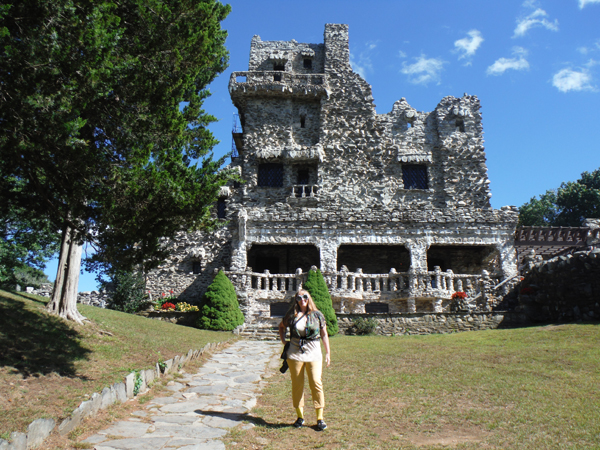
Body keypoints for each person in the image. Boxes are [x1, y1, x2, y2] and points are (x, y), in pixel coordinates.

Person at [278, 289, 331, 431]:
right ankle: (300, 417)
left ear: (309, 298)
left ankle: (320, 418)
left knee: (316, 383)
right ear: (296, 300)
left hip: (314, 354)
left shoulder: (318, 315)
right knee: (297, 385)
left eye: (305, 297)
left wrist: (328, 353)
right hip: (295, 355)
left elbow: (324, 334)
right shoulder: (292, 315)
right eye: (299, 297)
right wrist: (285, 342)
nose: (302, 299)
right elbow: (281, 327)